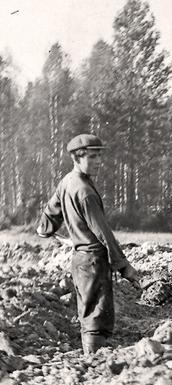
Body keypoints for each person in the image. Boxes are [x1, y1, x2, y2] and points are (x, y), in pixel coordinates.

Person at [36, 133, 141, 353]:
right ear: (77, 157)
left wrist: (45, 230)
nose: (98, 162)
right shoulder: (84, 192)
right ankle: (93, 362)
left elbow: (49, 216)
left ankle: (92, 359)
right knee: (96, 316)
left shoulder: (67, 181)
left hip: (80, 261)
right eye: (92, 157)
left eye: (99, 157)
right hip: (94, 261)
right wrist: (125, 268)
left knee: (89, 309)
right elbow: (103, 234)